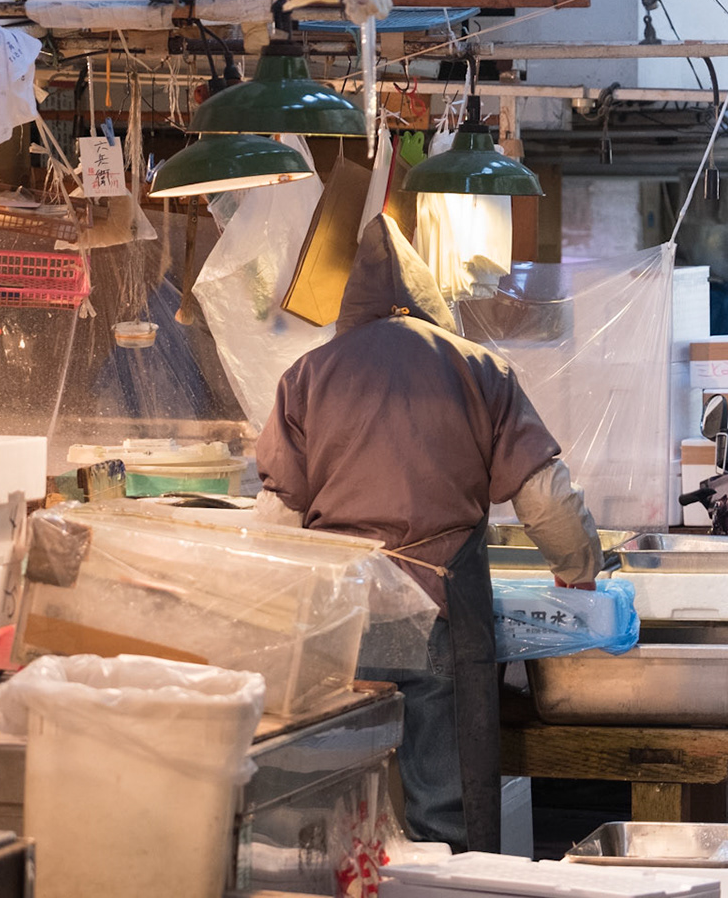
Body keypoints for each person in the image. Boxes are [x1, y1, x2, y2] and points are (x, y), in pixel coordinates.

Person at [256, 216, 602, 852]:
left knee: (341, 804)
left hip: (344, 617)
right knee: (448, 811)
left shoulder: (307, 375)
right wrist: (579, 568)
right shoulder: (480, 369)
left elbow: (279, 518)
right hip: (444, 610)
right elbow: (545, 495)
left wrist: (270, 617)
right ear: (428, 297)